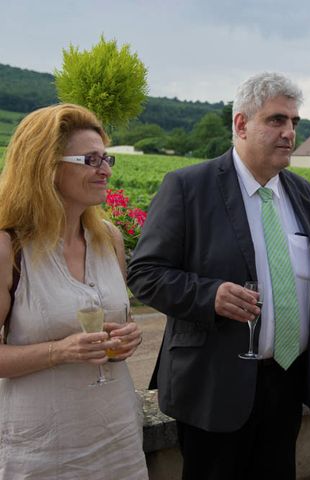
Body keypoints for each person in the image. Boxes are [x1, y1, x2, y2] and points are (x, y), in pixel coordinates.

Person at [127, 72, 310, 479]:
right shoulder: (189, 187)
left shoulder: (304, 194)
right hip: (214, 384)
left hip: (286, 383)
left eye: (294, 122)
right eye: (276, 120)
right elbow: (145, 273)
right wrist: (209, 295)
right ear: (241, 124)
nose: (289, 132)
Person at [0, 104, 147, 479]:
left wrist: (129, 337)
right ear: (45, 166)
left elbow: (120, 324)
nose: (105, 170)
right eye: (90, 159)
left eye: (106, 158)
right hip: (42, 448)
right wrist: (60, 351)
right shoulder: (9, 248)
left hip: (117, 438)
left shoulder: (109, 239)